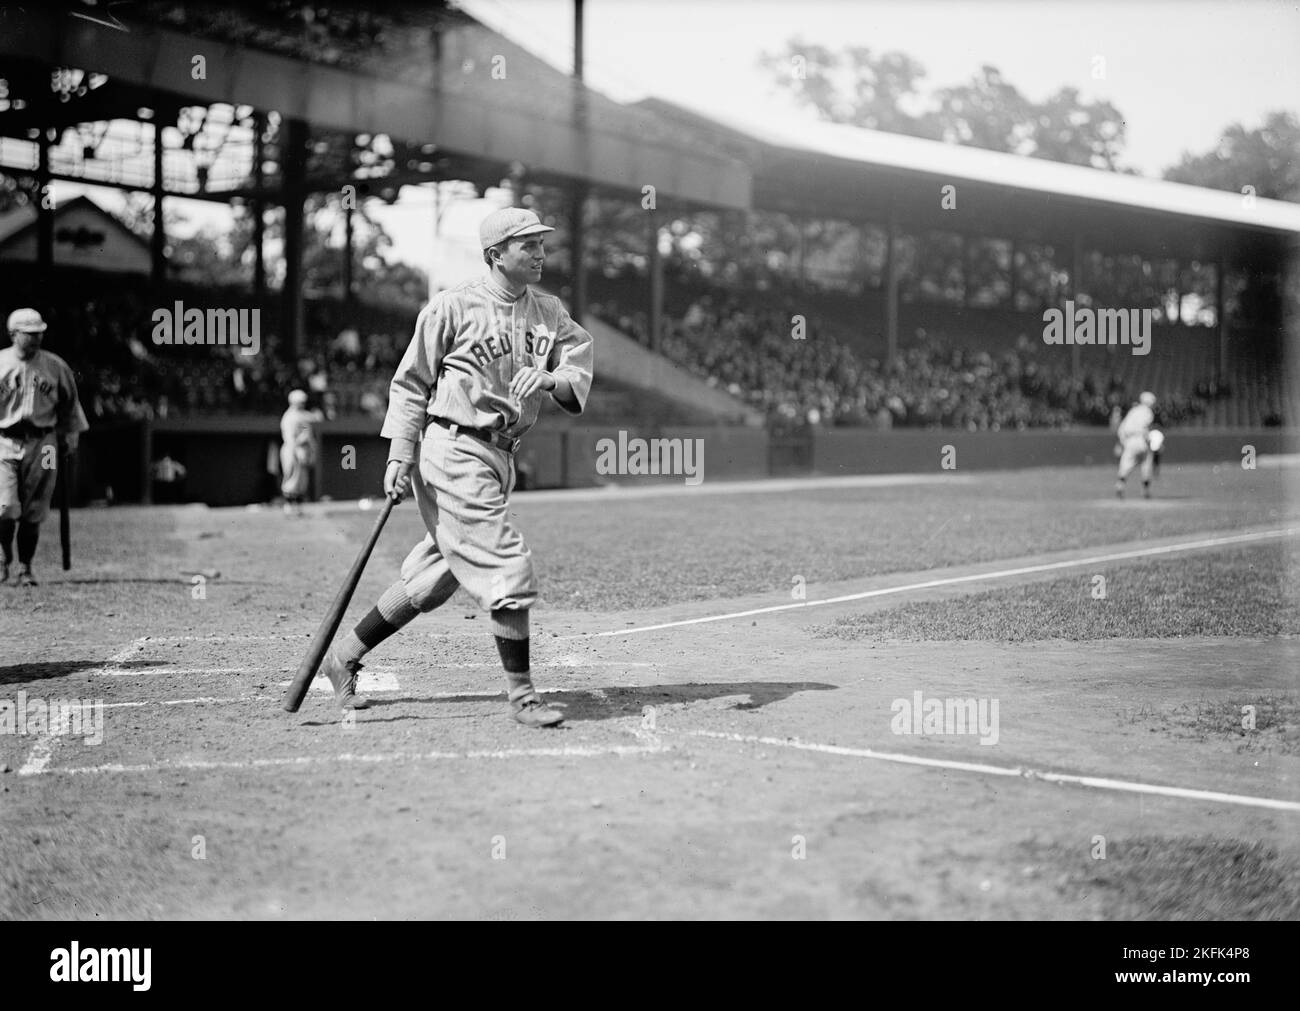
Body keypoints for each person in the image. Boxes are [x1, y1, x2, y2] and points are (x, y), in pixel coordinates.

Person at [315, 206, 594, 727]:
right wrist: (400, 453)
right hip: (452, 445)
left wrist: (553, 380)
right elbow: (410, 383)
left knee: (435, 576)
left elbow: (576, 355)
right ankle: (523, 697)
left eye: (541, 243)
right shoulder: (451, 307)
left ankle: (344, 655)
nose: (540, 253)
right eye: (527, 245)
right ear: (495, 255)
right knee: (505, 561)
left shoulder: (549, 311)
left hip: (501, 454)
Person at [0, 308, 89, 586]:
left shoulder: (55, 366)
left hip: (45, 443)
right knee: (4, 507)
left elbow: (70, 406)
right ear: (14, 334)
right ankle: (4, 559)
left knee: (35, 507)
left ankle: (26, 567)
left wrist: (70, 437)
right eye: (29, 334)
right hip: (5, 440)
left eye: (39, 333)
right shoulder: (1, 363)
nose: (36, 338)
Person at [279, 389, 323, 517]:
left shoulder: (301, 415)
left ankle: (297, 508)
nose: (303, 404)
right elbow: (291, 438)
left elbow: (310, 423)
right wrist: (296, 450)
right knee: (292, 479)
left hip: (301, 450)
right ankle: (288, 507)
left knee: (301, 481)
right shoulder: (289, 417)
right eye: (300, 402)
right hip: (292, 449)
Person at [1115, 391, 1158, 499]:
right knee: (1146, 464)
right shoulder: (1148, 412)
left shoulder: (1133, 411)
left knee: (1126, 464)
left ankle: (1120, 486)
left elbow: (1122, 428)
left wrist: (1120, 442)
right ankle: (1145, 490)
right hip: (1141, 439)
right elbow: (1145, 428)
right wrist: (1149, 440)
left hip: (1130, 441)